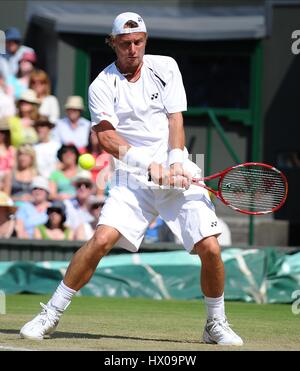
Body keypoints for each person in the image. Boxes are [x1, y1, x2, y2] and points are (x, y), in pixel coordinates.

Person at [20, 12, 243, 346]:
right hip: (133, 178)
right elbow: (107, 139)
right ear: (114, 44)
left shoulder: (165, 67)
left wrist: (177, 160)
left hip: (177, 169)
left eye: (139, 42)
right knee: (101, 240)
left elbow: (174, 119)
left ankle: (215, 323)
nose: (133, 49)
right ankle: (50, 313)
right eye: (125, 43)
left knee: (210, 248)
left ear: (145, 41)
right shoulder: (101, 85)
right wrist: (150, 166)